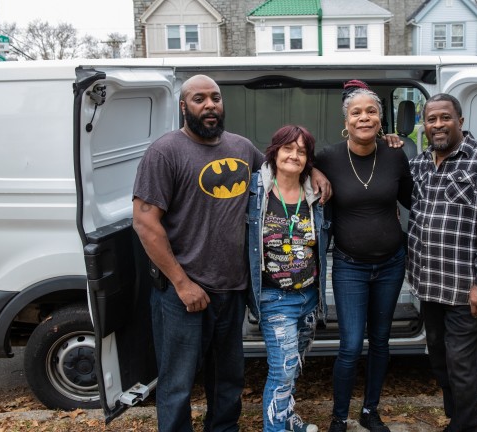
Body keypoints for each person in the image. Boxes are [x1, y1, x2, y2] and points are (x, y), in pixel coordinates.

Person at [132, 74, 331, 432]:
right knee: (177, 383)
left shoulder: (241, 148)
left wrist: (313, 168)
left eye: (215, 98)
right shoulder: (165, 152)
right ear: (183, 107)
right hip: (184, 291)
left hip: (232, 289)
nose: (209, 105)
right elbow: (146, 223)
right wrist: (181, 283)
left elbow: (281, 164)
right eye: (198, 99)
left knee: (227, 380)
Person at [407, 93, 477, 432]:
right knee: (440, 360)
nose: (438, 125)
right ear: (423, 126)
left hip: (467, 290)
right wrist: (390, 140)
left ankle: (466, 427)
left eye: (445, 118)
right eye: (431, 119)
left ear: (460, 121)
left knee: (463, 367)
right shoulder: (421, 162)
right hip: (429, 285)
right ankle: (461, 420)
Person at [315, 80, 413, 432]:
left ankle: (370, 411)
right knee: (351, 345)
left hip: (391, 263)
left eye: (371, 111)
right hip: (349, 266)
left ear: (380, 119)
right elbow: (289, 163)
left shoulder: (395, 154)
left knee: (382, 341)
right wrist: (312, 170)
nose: (364, 117)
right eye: (356, 112)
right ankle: (339, 416)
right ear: (346, 119)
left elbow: (411, 200)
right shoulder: (327, 157)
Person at [247, 125, 331, 432]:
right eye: (287, 148)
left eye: (302, 150)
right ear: (274, 151)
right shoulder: (255, 189)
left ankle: (287, 418)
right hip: (274, 298)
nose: (294, 155)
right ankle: (275, 428)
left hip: (308, 296)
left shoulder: (316, 192)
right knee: (281, 370)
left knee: (293, 367)